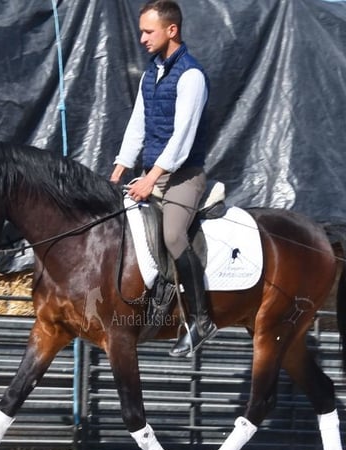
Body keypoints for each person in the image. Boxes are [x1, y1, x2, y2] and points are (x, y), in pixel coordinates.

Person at [110, 0, 217, 358]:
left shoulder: (191, 76)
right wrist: (120, 168)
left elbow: (181, 141)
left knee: (172, 235)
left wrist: (150, 179)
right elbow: (138, 125)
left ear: (171, 30)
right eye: (141, 31)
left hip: (183, 176)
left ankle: (201, 321)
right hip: (150, 173)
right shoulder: (150, 73)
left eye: (148, 31)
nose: (141, 38)